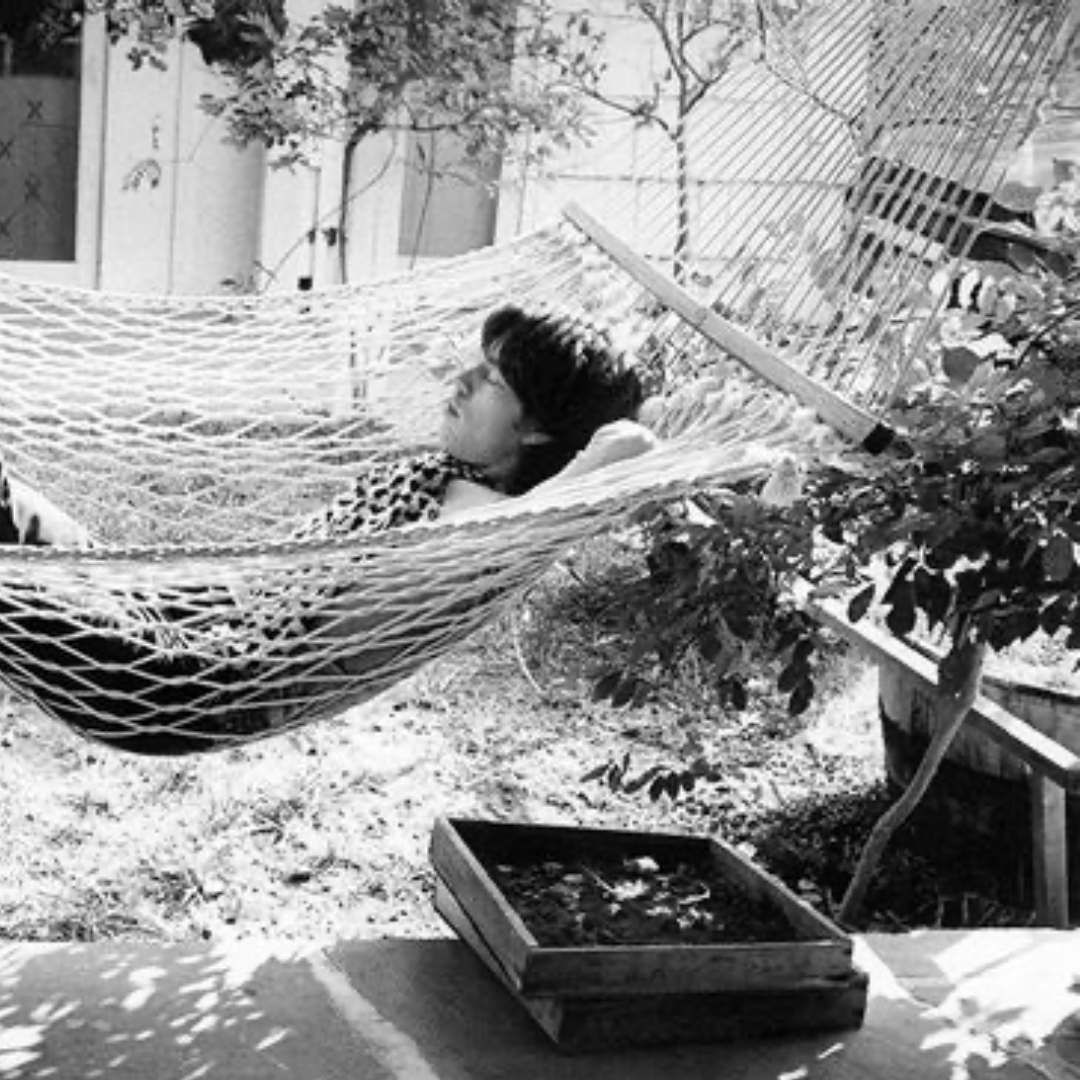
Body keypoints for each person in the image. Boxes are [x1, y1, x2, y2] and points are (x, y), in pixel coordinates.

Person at [0, 305, 656, 755]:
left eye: (492, 380)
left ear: (538, 427)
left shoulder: (483, 530)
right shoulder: (450, 472)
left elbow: (545, 514)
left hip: (174, 681)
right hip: (149, 597)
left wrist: (606, 458)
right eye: (476, 363)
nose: (461, 379)